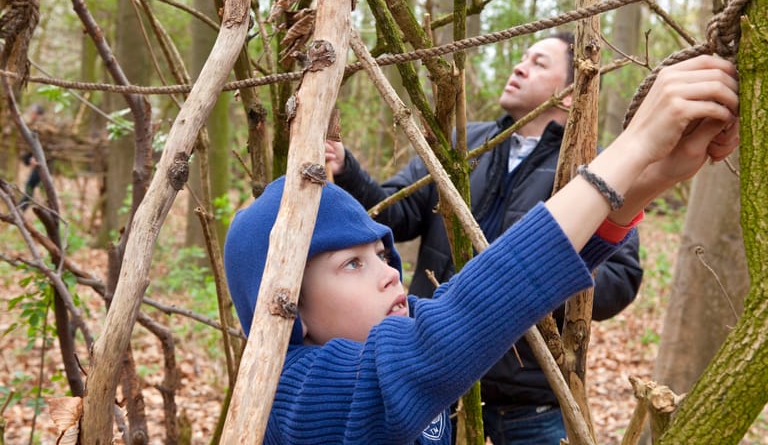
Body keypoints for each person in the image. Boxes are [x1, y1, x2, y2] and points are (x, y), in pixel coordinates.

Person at [224, 54, 739, 444]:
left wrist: (649, 179)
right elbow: (452, 326)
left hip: (528, 396)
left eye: (381, 255)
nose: (389, 273)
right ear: (288, 308)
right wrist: (633, 147)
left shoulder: (373, 346)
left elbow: (501, 302)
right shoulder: (296, 394)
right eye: (352, 263)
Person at [325, 32, 642, 443]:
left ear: (569, 94)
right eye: (522, 57)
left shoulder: (591, 171)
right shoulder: (462, 143)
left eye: (539, 63)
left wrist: (540, 278)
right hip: (438, 382)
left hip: (528, 398)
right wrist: (346, 168)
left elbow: (620, 279)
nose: (519, 67)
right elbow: (395, 215)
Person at [19, 104, 46, 211]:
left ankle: (21, 209)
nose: (31, 114)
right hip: (38, 161)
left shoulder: (42, 127)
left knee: (31, 186)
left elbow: (45, 146)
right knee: (33, 186)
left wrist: (36, 158)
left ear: (37, 114)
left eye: (33, 112)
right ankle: (21, 209)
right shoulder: (33, 125)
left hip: (43, 163)